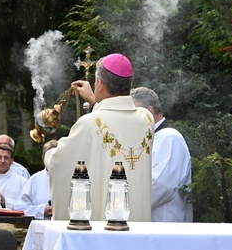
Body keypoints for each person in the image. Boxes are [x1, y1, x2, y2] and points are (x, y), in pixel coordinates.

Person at [45, 53, 153, 222]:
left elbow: (59, 162)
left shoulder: (90, 124)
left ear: (100, 84)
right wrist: (95, 100)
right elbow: (117, 115)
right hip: (139, 229)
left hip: (104, 231)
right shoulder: (146, 119)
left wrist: (49, 151)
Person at [130, 87, 193, 222]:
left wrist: (126, 206)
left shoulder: (170, 138)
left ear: (150, 111)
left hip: (165, 224)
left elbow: (161, 186)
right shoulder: (150, 138)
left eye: (134, 113)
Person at [13, 140, 57, 219]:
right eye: (49, 156)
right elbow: (20, 208)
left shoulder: (71, 178)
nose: (52, 160)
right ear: (43, 158)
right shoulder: (34, 180)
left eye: (56, 156)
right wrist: (42, 210)